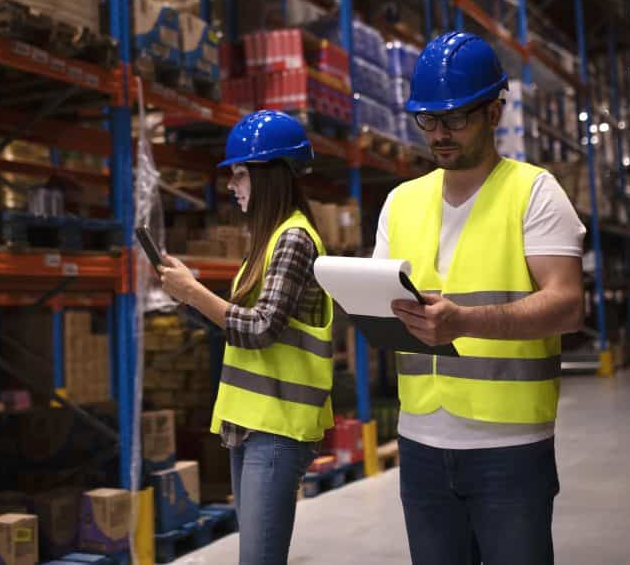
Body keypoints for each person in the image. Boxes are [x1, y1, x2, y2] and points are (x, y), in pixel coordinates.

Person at [373, 32, 587, 565]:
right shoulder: (400, 202)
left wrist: (464, 321)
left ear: (494, 113)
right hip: (420, 442)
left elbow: (567, 304)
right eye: (428, 120)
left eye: (456, 119)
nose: (440, 134)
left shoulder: (534, 192)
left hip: (510, 448)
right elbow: (381, 301)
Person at [156, 110, 334, 565]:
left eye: (240, 174)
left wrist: (195, 294)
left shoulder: (293, 238)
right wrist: (190, 293)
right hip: (252, 423)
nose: (232, 186)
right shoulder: (269, 239)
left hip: (277, 425)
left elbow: (259, 328)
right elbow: (243, 322)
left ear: (271, 175)